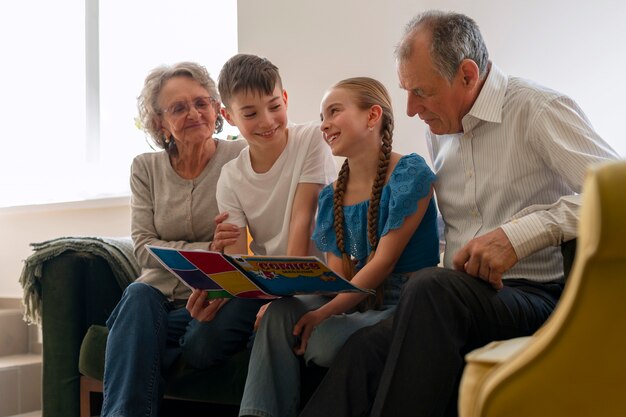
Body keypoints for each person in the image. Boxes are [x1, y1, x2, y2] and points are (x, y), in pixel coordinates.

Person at [299, 10, 619, 417]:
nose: (411, 110)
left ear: (467, 75)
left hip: (535, 295)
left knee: (432, 288)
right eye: (406, 91)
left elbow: (617, 194)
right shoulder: (440, 133)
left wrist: (522, 234)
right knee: (363, 350)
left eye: (421, 92)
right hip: (460, 298)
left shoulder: (537, 109)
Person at [238, 77, 440, 417]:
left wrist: (322, 314)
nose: (324, 125)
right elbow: (337, 275)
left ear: (372, 116)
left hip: (400, 303)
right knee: (277, 315)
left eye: (334, 111)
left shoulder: (410, 173)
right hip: (350, 299)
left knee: (323, 341)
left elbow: (384, 263)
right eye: (321, 117)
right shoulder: (332, 195)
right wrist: (292, 293)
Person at [101, 62, 249, 417]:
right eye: (179, 108)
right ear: (159, 123)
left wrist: (214, 259)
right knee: (137, 295)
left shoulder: (240, 156)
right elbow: (143, 246)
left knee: (135, 332)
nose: (194, 113)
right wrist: (207, 250)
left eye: (201, 103)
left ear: (216, 109)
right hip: (154, 297)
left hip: (210, 296)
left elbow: (245, 241)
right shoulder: (145, 168)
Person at [183, 54, 337, 366]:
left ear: (285, 99)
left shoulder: (311, 139)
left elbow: (302, 219)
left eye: (274, 107)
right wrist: (220, 295)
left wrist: (283, 298)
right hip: (268, 285)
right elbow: (241, 260)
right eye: (250, 114)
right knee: (199, 347)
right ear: (228, 116)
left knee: (268, 334)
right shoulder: (231, 176)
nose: (267, 121)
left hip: (313, 281)